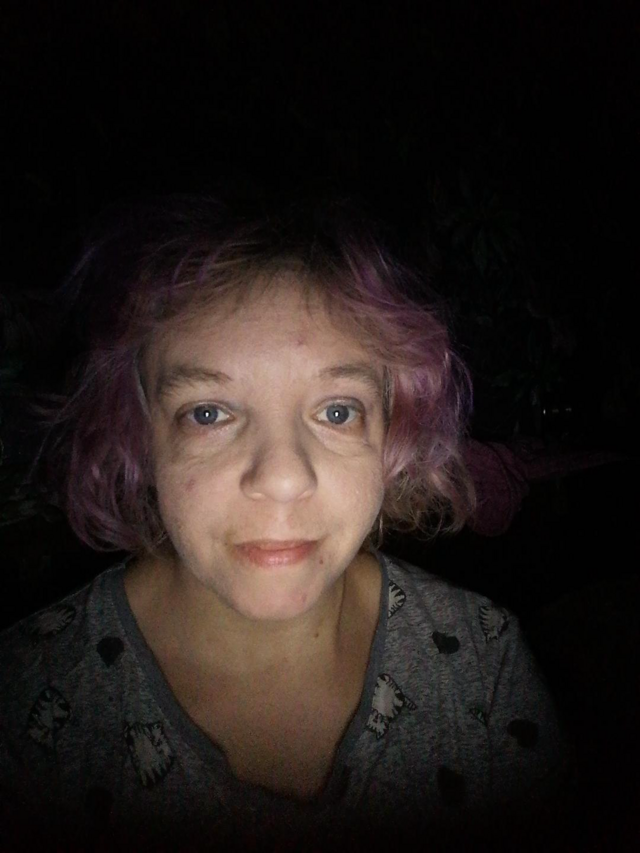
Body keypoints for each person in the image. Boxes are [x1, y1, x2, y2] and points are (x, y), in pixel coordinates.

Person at [0, 190, 575, 851]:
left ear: (392, 434)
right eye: (209, 413)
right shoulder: (24, 707)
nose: (281, 477)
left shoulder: (483, 663)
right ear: (140, 437)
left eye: (337, 411)